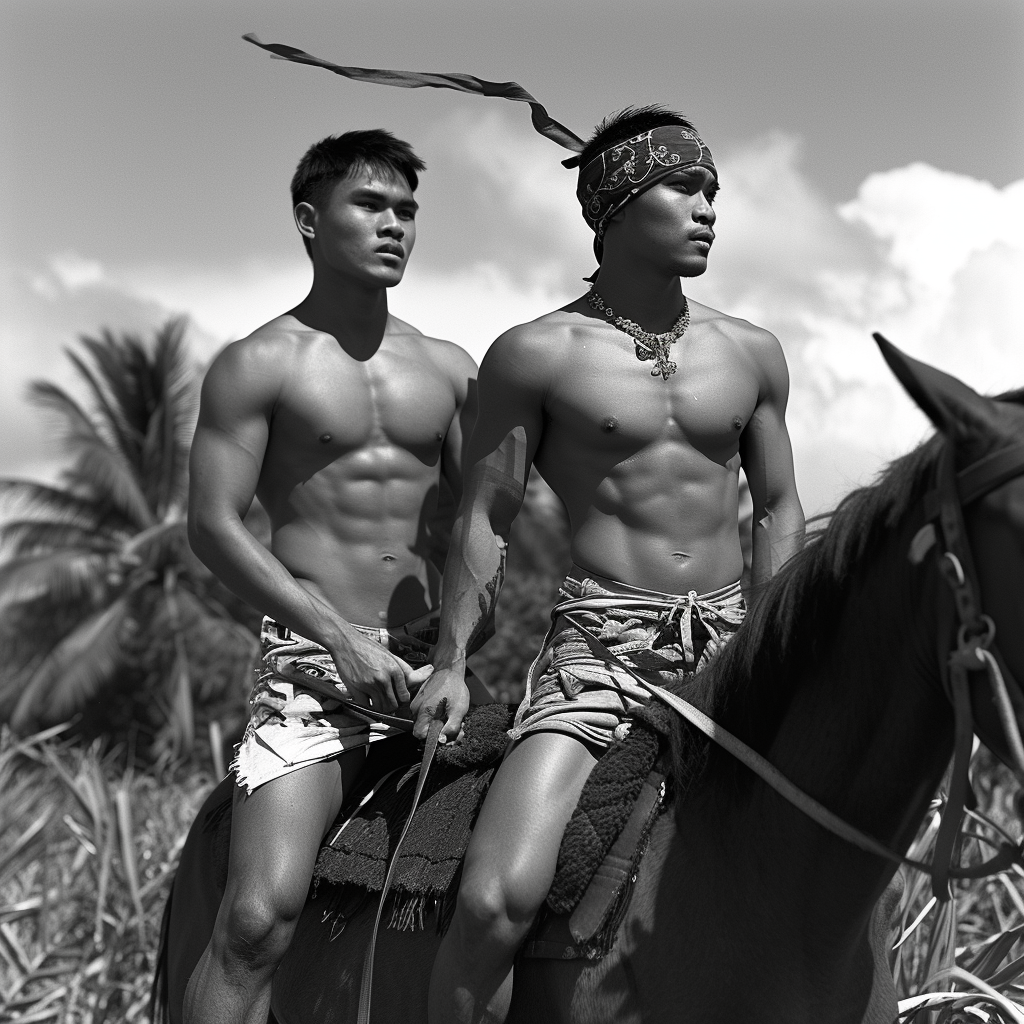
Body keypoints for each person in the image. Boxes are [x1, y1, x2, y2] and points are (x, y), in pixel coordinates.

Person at [412, 105, 806, 1023]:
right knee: (494, 899)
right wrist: (451, 662)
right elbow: (484, 516)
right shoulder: (537, 354)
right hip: (602, 651)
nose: (709, 209)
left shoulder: (751, 352)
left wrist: (777, 648)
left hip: (732, 646)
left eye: (714, 191)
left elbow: (781, 508)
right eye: (685, 188)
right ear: (617, 207)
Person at [183, 129, 487, 1024]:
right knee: (255, 918)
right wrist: (337, 637)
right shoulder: (258, 363)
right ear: (310, 221)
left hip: (436, 674)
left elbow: (482, 528)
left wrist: (460, 659)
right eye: (372, 206)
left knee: (508, 901)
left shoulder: (452, 369)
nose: (395, 225)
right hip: (313, 675)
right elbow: (212, 524)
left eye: (407, 211)